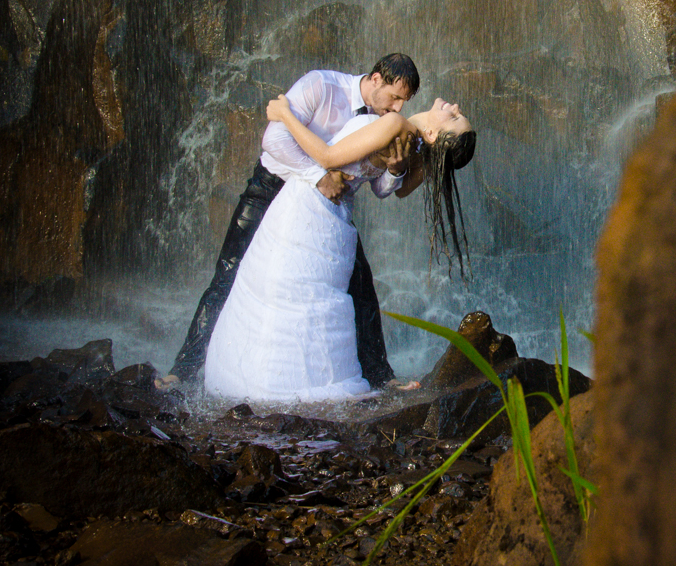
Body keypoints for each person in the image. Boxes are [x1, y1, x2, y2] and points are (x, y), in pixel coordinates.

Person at [158, 54, 421, 390]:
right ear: (375, 79)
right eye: (395, 97)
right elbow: (274, 139)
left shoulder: (385, 121)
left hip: (327, 208)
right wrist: (317, 176)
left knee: (361, 288)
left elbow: (380, 189)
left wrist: (397, 170)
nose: (398, 108)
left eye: (405, 102)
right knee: (229, 271)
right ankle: (182, 371)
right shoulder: (321, 85)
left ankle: (381, 377)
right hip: (273, 185)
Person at [203, 95, 477, 402]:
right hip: (335, 218)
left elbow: (327, 158)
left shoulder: (396, 125)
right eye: (458, 113)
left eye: (454, 118)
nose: (455, 106)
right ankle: (303, 379)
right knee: (307, 295)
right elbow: (388, 191)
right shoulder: (409, 141)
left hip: (309, 203)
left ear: (432, 136)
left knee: (286, 289)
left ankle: (265, 381)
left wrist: (285, 115)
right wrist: (397, 170)